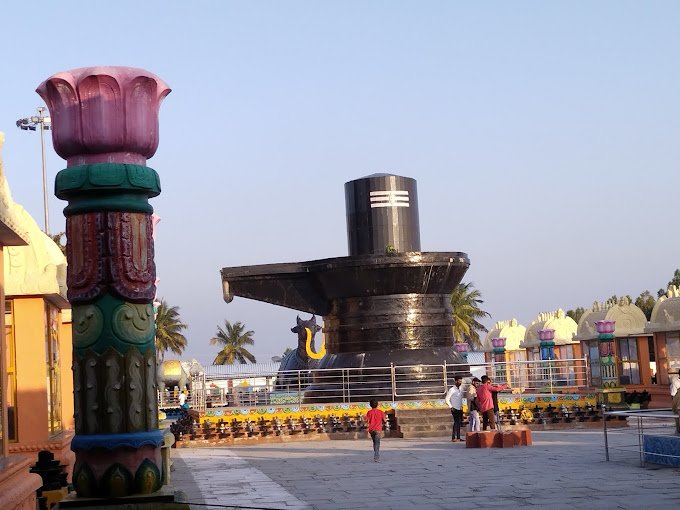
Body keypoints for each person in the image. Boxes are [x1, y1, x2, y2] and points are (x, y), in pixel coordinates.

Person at [445, 376, 464, 442]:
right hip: (454, 408)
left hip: (460, 408)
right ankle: (453, 437)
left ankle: (458, 437)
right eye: (459, 381)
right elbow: (447, 399)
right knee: (456, 422)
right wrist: (451, 406)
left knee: (459, 423)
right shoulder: (452, 389)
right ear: (455, 381)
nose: (460, 382)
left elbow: (460, 398)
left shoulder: (461, 388)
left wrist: (462, 406)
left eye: (461, 381)